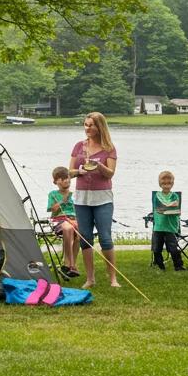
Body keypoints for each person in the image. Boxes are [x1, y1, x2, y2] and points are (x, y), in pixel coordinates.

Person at [68, 112, 119, 289]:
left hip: (102, 198)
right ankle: (90, 278)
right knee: (85, 238)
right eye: (86, 124)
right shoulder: (79, 146)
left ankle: (112, 278)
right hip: (82, 198)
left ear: (100, 127)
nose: (88, 128)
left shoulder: (109, 148)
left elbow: (111, 173)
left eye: (91, 125)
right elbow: (70, 172)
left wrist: (99, 166)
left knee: (105, 237)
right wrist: (79, 171)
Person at [47, 166, 80, 279]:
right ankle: (67, 263)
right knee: (67, 228)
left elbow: (79, 210)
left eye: (68, 178)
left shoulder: (74, 194)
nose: (66, 180)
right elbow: (53, 210)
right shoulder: (53, 194)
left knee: (80, 230)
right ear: (56, 181)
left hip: (73, 219)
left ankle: (72, 265)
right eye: (63, 178)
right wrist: (62, 200)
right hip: (60, 220)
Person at [151, 170, 187, 272]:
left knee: (173, 248)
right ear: (160, 184)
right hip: (159, 226)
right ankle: (160, 265)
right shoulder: (157, 195)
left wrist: (168, 206)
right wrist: (169, 205)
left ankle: (178, 266)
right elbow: (161, 205)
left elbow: (176, 205)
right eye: (164, 184)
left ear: (172, 184)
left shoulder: (174, 195)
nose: (166, 186)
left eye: (168, 184)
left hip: (170, 227)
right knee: (156, 248)